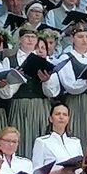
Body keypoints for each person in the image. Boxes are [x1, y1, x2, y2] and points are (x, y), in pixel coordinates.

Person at [5, 26, 60, 158]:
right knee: (20, 138)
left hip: (40, 106)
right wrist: (18, 76)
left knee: (40, 138)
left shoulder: (47, 62)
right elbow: (6, 92)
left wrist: (46, 81)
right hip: (20, 105)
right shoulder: (9, 60)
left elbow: (53, 92)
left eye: (33, 37)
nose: (30, 40)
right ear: (20, 39)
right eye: (27, 37)